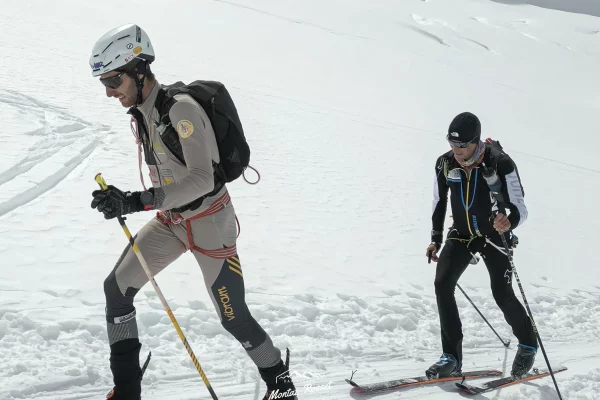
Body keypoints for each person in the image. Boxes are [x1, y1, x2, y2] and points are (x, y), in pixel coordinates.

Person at [88, 24, 297, 400]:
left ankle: (282, 386)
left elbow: (202, 179)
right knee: (116, 290)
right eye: (104, 82)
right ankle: (127, 392)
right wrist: (120, 199)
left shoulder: (181, 109)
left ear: (138, 69)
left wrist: (138, 200)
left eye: (113, 79)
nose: (109, 91)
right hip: (171, 222)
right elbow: (169, 177)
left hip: (209, 224)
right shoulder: (143, 112)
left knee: (233, 317)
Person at [425, 111, 537, 380]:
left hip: (494, 235)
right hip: (462, 233)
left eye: (462, 145)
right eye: (453, 144)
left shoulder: (501, 163)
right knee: (442, 285)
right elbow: (439, 201)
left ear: (476, 141)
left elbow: (520, 206)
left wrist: (509, 222)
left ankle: (528, 343)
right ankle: (451, 357)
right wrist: (435, 238)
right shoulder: (445, 163)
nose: (457, 150)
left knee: (501, 293)